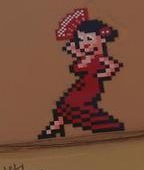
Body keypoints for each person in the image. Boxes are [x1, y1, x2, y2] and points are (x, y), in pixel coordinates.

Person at [39, 8, 125, 139]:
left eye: (88, 38)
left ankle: (52, 131)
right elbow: (78, 67)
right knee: (68, 111)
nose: (84, 42)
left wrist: (102, 74)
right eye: (81, 39)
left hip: (88, 91)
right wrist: (77, 53)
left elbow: (113, 65)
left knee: (71, 113)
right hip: (81, 91)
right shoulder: (88, 58)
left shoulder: (100, 59)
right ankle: (51, 132)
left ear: (101, 39)